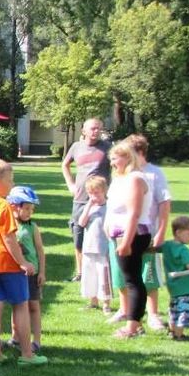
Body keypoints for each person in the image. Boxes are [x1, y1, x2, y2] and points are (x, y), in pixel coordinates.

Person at [0, 160, 48, 367]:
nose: (12, 184)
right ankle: (27, 355)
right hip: (8, 265)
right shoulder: (2, 205)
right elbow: (9, 239)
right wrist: (22, 262)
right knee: (21, 306)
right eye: (10, 180)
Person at [104, 142, 153, 339]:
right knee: (129, 278)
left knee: (133, 280)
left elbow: (134, 213)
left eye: (116, 158)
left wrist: (126, 242)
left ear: (128, 158)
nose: (112, 162)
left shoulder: (135, 179)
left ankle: (132, 326)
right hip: (119, 233)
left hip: (132, 234)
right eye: (112, 158)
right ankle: (136, 322)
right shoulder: (119, 179)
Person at [125, 134, 171, 330]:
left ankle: (153, 314)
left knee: (150, 275)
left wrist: (161, 231)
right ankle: (128, 312)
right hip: (127, 233)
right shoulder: (125, 173)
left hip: (148, 232)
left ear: (140, 152)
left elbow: (164, 203)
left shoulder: (154, 173)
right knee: (129, 275)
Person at [61, 118, 112, 282]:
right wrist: (70, 184)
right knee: (78, 235)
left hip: (101, 200)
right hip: (80, 198)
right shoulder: (76, 147)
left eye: (98, 128)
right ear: (84, 130)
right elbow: (65, 165)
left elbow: (118, 165)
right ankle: (80, 272)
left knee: (103, 234)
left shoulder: (107, 148)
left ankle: (106, 269)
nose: (96, 131)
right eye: (92, 129)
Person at [4, 186, 46, 354]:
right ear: (15, 206)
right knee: (17, 306)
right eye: (27, 208)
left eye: (32, 209)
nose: (30, 212)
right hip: (15, 272)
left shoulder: (32, 227)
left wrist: (41, 272)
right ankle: (15, 337)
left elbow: (40, 251)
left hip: (32, 273)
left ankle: (36, 340)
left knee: (33, 306)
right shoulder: (9, 225)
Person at [77, 176, 112, 314]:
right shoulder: (89, 207)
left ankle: (106, 303)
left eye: (96, 193)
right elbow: (81, 223)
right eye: (90, 193)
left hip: (103, 247)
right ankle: (93, 301)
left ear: (104, 191)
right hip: (89, 247)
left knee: (103, 276)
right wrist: (89, 206)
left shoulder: (109, 206)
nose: (93, 196)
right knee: (89, 275)